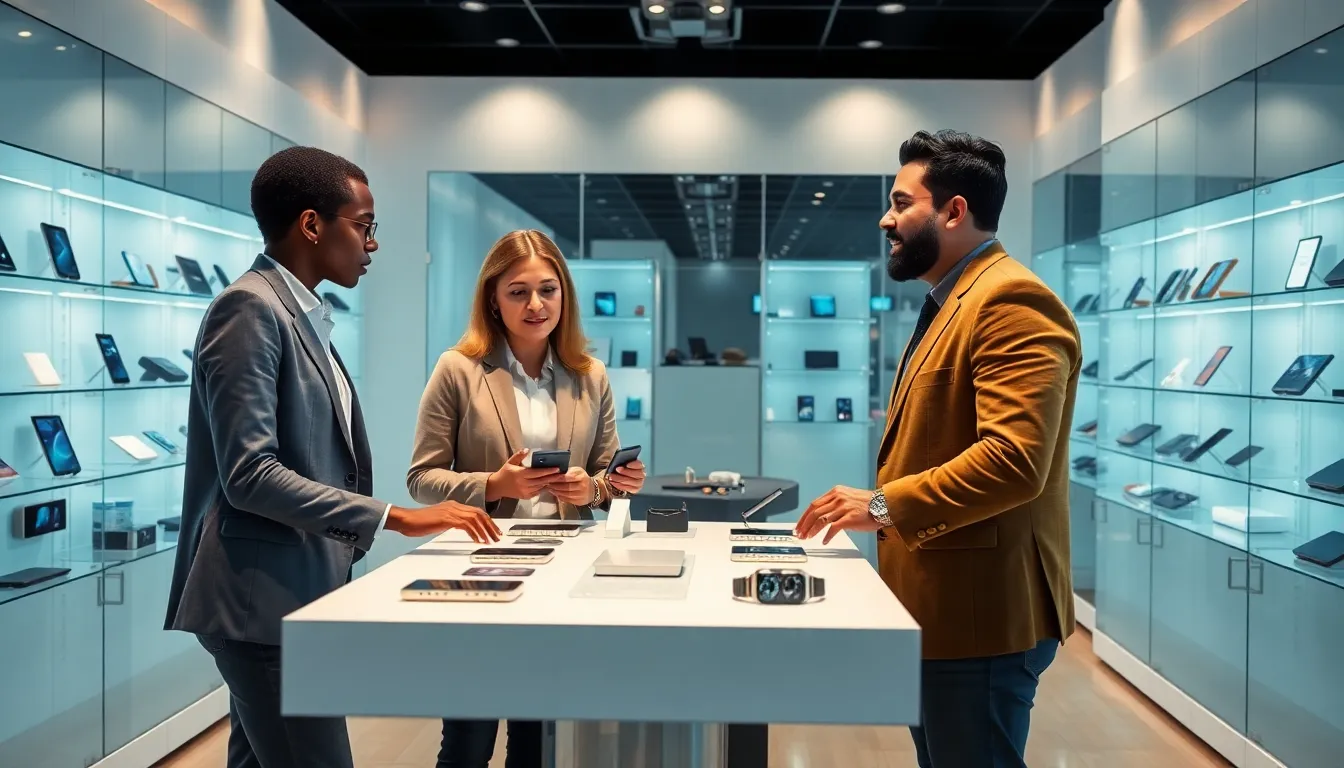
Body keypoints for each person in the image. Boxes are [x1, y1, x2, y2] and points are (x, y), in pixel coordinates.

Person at [163, 146, 501, 768]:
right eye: (364, 225)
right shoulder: (250, 310)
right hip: (259, 603)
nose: (372, 244)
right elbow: (250, 476)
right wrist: (395, 516)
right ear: (312, 224)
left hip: (288, 596)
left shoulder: (299, 312)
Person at [794, 130, 1080, 768]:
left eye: (901, 203)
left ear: (953, 211)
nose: (885, 219)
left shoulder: (1011, 301)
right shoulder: (956, 299)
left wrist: (883, 505)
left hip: (982, 614)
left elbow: (1013, 459)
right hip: (946, 606)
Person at [407, 228, 647, 768]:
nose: (536, 305)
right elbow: (422, 477)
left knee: (538, 740)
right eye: (518, 291)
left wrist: (600, 487)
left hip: (564, 567)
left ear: (565, 294)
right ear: (493, 298)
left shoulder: (591, 376)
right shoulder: (459, 369)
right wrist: (495, 484)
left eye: (548, 289)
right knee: (468, 739)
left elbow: (610, 480)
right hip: (483, 567)